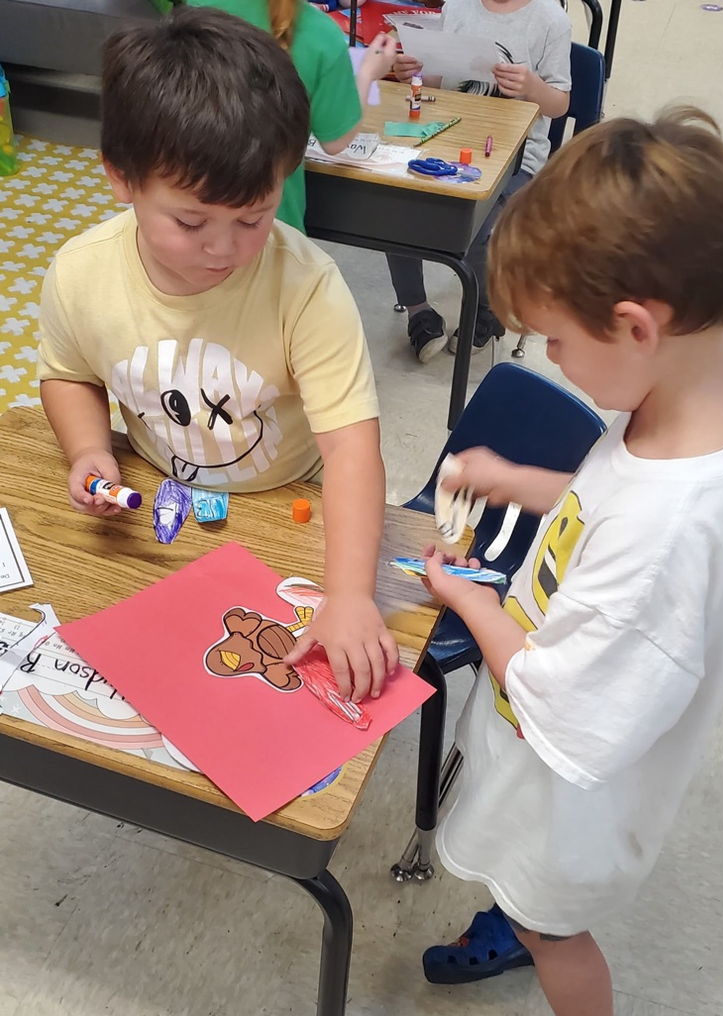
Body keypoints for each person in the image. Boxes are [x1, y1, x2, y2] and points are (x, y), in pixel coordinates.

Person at [418, 107, 723, 1016]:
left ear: (637, 326)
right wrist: (521, 480)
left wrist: (467, 594)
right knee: (523, 891)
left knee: (554, 928)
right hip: (567, 714)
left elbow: (556, 701)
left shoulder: (668, 537)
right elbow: (612, 493)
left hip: (569, 786)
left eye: (555, 341)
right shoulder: (696, 394)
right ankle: (512, 913)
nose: (552, 362)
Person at [36, 7, 398, 702]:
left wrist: (350, 594)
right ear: (121, 177)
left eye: (253, 218)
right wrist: (87, 449)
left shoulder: (308, 287)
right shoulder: (81, 272)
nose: (223, 248)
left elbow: (354, 448)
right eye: (191, 221)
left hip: (291, 506)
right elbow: (67, 373)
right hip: (153, 505)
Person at [390, 0, 570, 363]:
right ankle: (417, 308)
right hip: (452, 140)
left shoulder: (551, 19)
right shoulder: (458, 6)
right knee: (395, 209)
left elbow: (559, 103)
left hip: (518, 153)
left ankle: (487, 308)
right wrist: (414, 73)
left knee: (477, 228)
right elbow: (439, 81)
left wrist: (532, 85)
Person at [189, 0, 396, 232]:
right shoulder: (319, 32)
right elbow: (336, 140)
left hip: (186, 219)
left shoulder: (187, 10)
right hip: (271, 224)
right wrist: (367, 73)